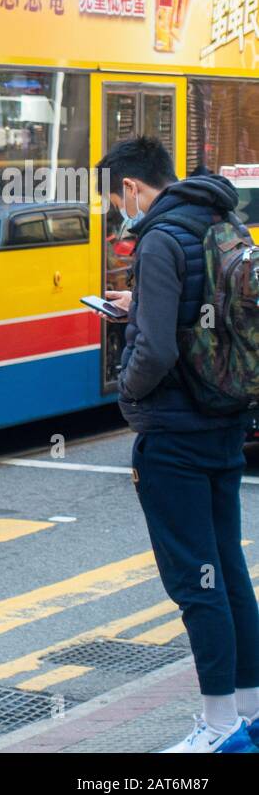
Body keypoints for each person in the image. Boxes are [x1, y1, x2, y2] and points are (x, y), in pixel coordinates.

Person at [99, 136, 259, 753]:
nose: (121, 213)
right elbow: (204, 309)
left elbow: (160, 350)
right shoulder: (219, 218)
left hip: (174, 432)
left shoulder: (158, 240)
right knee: (229, 570)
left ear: (134, 189)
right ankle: (247, 711)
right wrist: (139, 305)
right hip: (224, 420)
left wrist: (128, 391)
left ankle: (217, 726)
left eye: (118, 200)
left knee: (197, 583)